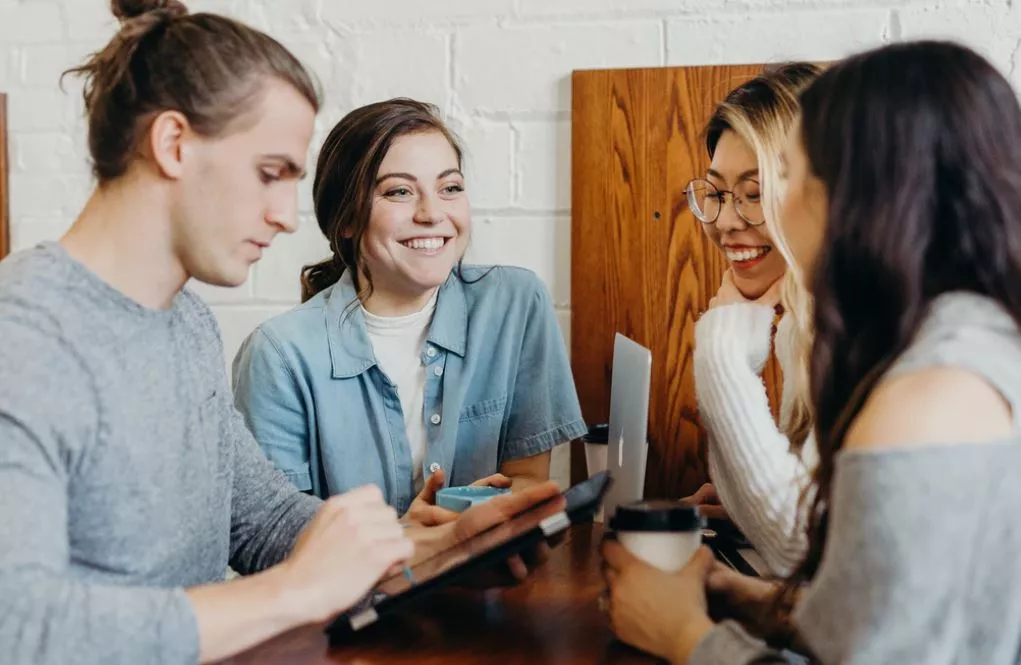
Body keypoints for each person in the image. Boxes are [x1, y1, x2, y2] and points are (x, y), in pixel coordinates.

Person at [0, 3, 559, 664]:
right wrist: (294, 592)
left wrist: (435, 552)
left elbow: (262, 520)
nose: (288, 217)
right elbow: (19, 624)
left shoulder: (186, 324)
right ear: (173, 144)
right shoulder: (25, 337)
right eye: (270, 173)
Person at [603, 40, 1021, 664]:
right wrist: (749, 600)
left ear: (864, 194)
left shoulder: (929, 394)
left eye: (787, 176)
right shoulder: (963, 341)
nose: (739, 217)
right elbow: (885, 619)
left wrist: (684, 635)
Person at [232, 98, 586, 522]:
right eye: (399, 191)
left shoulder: (515, 304)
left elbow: (528, 480)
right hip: (356, 588)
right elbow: (276, 537)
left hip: (489, 581)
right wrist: (410, 540)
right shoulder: (278, 355)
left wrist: (483, 512)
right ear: (346, 219)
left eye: (450, 188)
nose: (433, 213)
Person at [682, 63, 821, 575]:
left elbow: (801, 551)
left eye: (755, 193)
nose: (725, 221)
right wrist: (744, 505)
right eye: (716, 193)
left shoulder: (866, 329)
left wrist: (721, 350)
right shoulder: (801, 324)